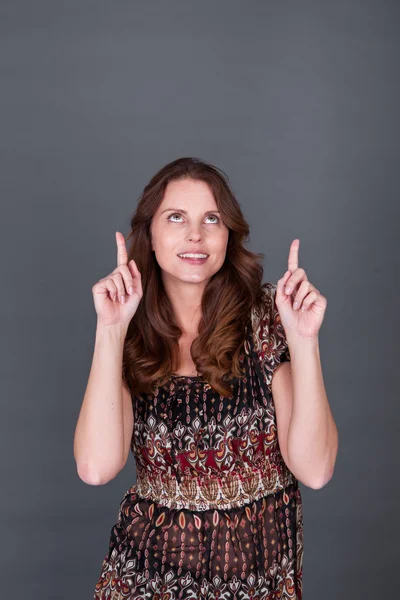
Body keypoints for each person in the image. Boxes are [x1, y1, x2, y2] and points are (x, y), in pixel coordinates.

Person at [74, 156, 337, 599]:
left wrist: (305, 339)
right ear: (150, 236)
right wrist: (111, 330)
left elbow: (315, 470)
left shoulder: (268, 317)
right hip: (145, 581)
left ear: (227, 234)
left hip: (256, 584)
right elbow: (96, 467)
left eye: (211, 219)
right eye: (176, 217)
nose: (195, 235)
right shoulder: (128, 328)